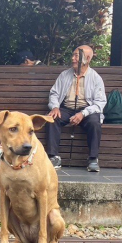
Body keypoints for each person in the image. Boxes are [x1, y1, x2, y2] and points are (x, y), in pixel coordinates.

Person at [46, 45, 106, 173]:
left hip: (87, 110)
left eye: (76, 56)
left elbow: (100, 103)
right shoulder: (64, 75)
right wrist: (55, 106)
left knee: (95, 122)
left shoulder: (96, 78)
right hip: (66, 108)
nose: (73, 58)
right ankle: (53, 157)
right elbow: (54, 94)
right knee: (51, 118)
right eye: (73, 55)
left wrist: (83, 113)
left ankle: (93, 159)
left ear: (88, 58)